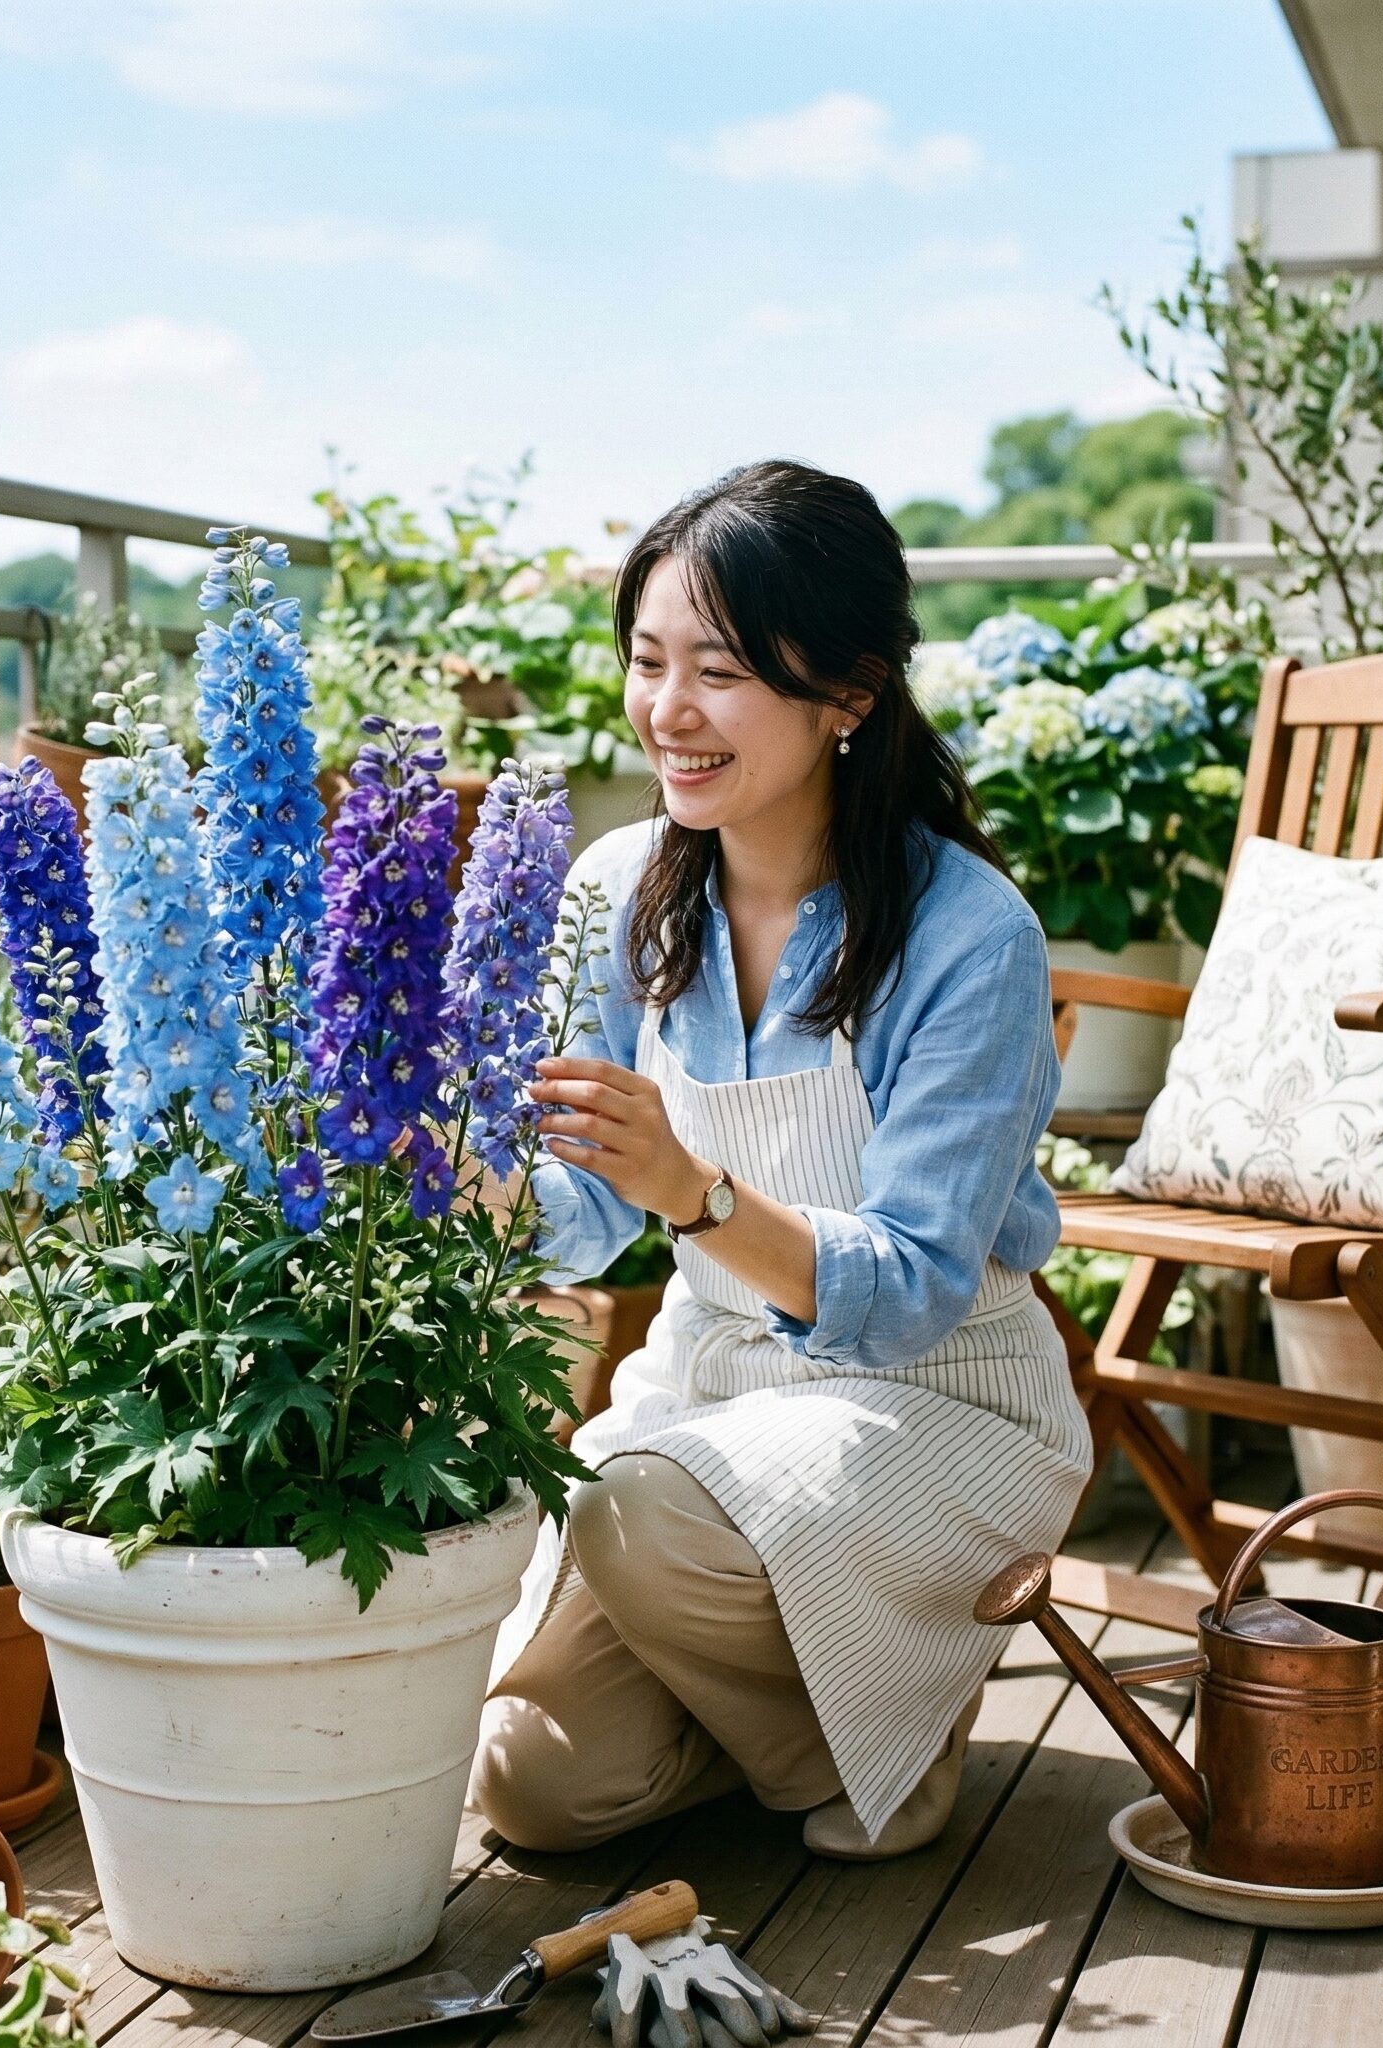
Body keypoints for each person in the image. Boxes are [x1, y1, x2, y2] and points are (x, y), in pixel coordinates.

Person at [467, 459, 1092, 1862]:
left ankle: (866, 1758)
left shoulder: (966, 933)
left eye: (722, 671)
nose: (668, 712)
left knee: (628, 1508)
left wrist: (689, 1189)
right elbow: (573, 1213)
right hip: (714, 1393)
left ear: (851, 697)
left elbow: (924, 1282)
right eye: (647, 662)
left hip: (937, 1404)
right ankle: (829, 1721)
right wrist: (461, 1176)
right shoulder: (617, 888)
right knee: (535, 1789)